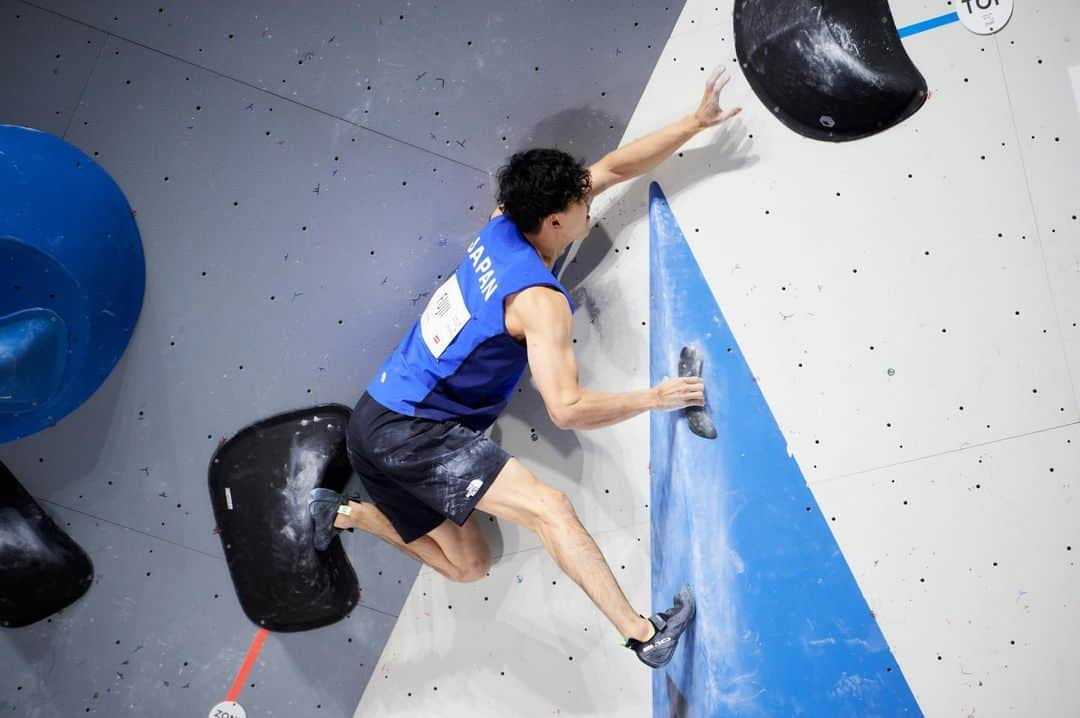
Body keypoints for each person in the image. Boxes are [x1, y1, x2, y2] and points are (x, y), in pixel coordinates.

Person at [310, 66, 742, 668]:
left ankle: (347, 514)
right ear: (556, 222)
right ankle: (645, 635)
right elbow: (566, 409)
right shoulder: (538, 302)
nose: (588, 205)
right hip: (413, 433)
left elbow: (613, 168)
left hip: (374, 415)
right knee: (551, 509)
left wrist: (694, 124)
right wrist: (657, 397)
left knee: (471, 565)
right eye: (580, 204)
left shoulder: (503, 223)